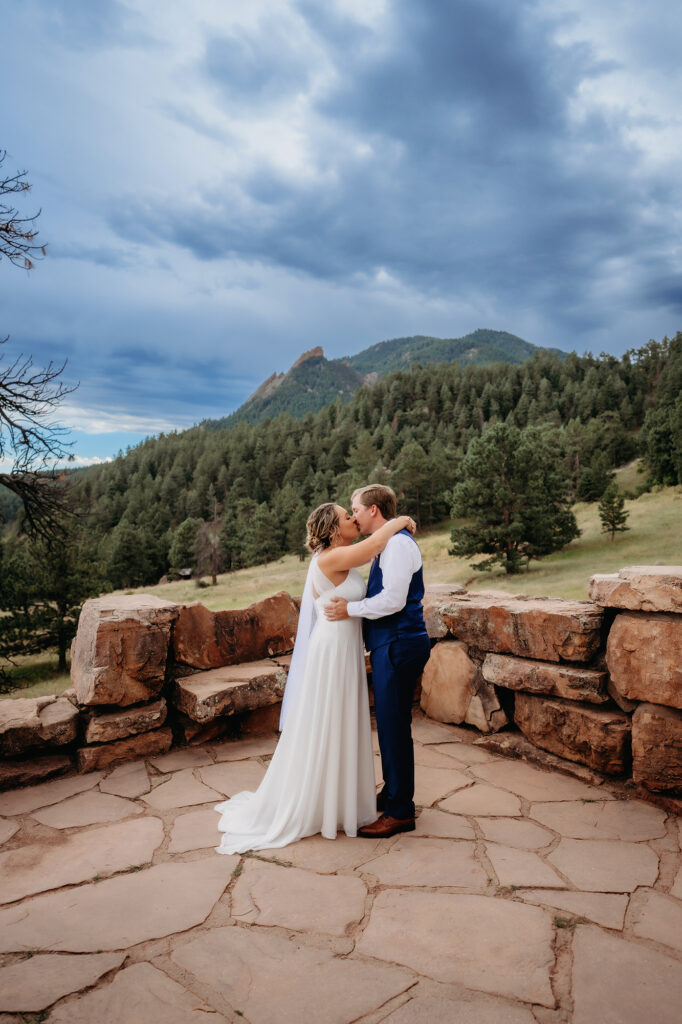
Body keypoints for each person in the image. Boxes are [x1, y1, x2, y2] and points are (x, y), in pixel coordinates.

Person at [214, 502, 415, 855]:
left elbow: (374, 552)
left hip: (343, 646)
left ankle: (338, 800)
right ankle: (320, 802)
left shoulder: (338, 553)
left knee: (340, 721)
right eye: (346, 516)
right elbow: (373, 546)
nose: (353, 519)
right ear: (334, 530)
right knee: (329, 721)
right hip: (333, 649)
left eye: (353, 513)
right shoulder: (329, 558)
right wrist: (399, 520)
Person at [325, 484, 431, 839]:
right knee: (390, 724)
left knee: (393, 727)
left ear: (373, 510)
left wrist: (349, 609)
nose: (353, 514)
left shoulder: (399, 545)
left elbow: (393, 601)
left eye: (355, 508)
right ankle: (393, 793)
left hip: (400, 643)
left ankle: (400, 811)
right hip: (392, 644)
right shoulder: (388, 542)